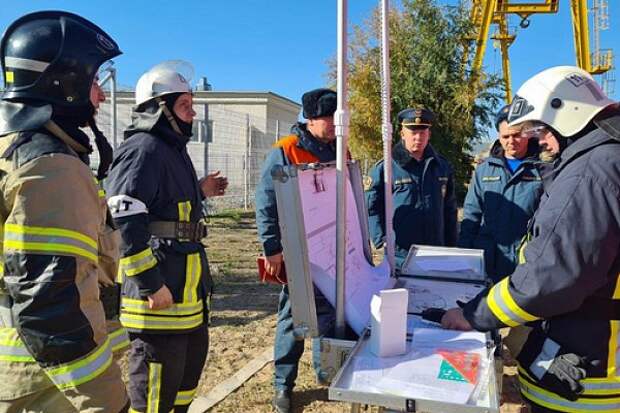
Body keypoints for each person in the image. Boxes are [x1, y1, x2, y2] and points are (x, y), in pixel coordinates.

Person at [441, 66, 620, 413]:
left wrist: (475, 314)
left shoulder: (591, 171)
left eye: (542, 129)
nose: (542, 140)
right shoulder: (608, 159)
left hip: (588, 377)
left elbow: (551, 275)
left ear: (569, 115)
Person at [0, 11, 128, 412]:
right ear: (64, 83)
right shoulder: (49, 167)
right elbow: (51, 302)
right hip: (47, 385)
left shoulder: (14, 151)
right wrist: (107, 401)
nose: (101, 95)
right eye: (94, 82)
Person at [105, 61, 228, 413]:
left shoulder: (172, 151)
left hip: (186, 301)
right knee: (155, 396)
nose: (192, 114)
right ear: (159, 109)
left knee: (183, 391)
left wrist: (200, 191)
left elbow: (164, 206)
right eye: (185, 106)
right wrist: (149, 284)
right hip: (158, 301)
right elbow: (125, 216)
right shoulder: (143, 148)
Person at [255, 88, 340, 413]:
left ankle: (326, 372)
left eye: (336, 117)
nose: (334, 124)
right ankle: (283, 386)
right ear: (310, 119)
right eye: (327, 118)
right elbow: (266, 202)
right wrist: (273, 249)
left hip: (331, 248)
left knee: (331, 312)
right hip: (298, 251)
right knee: (293, 319)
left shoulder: (338, 149)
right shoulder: (286, 151)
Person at [458, 105, 543, 283]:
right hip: (488, 260)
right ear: (498, 136)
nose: (511, 141)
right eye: (506, 136)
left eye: (517, 135)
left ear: (527, 133)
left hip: (525, 262)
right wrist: (465, 254)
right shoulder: (484, 170)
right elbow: (472, 213)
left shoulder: (543, 169)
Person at [365, 107, 458, 269]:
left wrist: (452, 244)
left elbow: (449, 209)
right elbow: (371, 208)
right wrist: (381, 241)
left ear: (429, 134)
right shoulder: (386, 168)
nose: (418, 137)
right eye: (413, 132)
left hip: (436, 252)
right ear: (402, 133)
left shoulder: (442, 166)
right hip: (401, 256)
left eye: (423, 132)